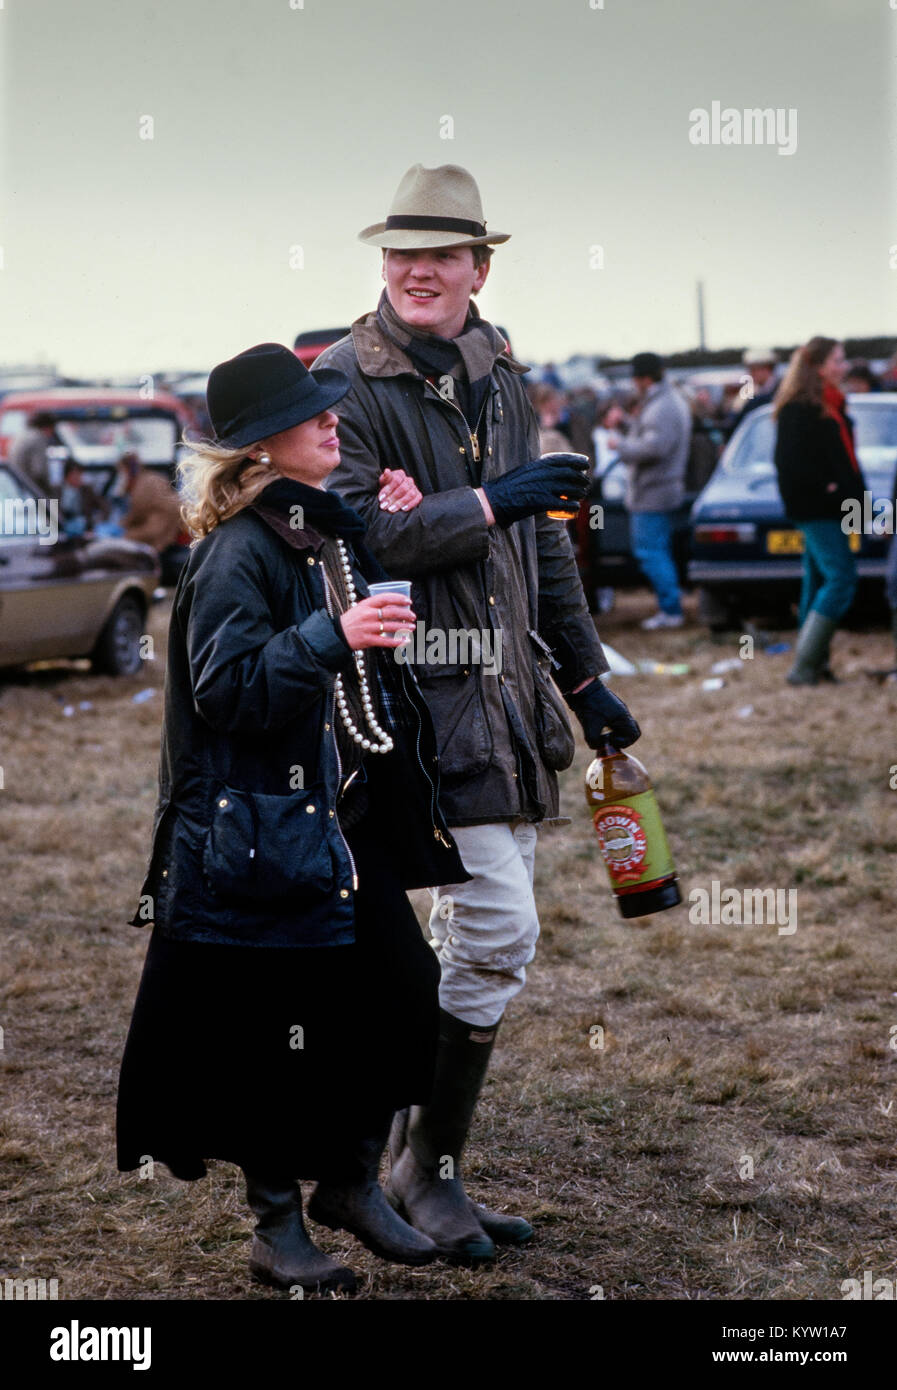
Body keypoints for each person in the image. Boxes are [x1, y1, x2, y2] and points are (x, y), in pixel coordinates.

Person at [314, 163, 640, 1260]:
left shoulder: (503, 371)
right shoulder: (343, 381)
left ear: (477, 268)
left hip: (501, 701)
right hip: (392, 707)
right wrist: (486, 501)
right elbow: (349, 535)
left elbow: (542, 539)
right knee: (482, 935)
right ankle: (393, 1171)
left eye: (439, 253)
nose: (415, 268)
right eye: (399, 252)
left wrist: (588, 681)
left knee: (474, 940)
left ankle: (421, 1169)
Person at [116, 342, 472, 1294]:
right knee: (273, 1041)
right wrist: (330, 634)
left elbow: (364, 589)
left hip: (326, 829)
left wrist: (392, 517)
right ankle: (277, 1232)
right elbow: (226, 689)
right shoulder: (239, 549)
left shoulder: (311, 529)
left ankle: (351, 1185)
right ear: (263, 447)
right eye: (313, 414)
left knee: (401, 997)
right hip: (259, 838)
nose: (334, 420)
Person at [772, 336, 866, 685]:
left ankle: (814, 666)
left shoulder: (833, 404)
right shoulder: (799, 408)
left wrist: (858, 501)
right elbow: (790, 465)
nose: (844, 367)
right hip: (816, 509)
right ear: (818, 366)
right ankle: (804, 667)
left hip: (835, 506)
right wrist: (827, 487)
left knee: (817, 580)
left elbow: (847, 462)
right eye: (838, 361)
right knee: (841, 578)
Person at [607, 351, 692, 629]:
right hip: (659, 489)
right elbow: (653, 435)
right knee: (658, 551)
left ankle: (671, 611)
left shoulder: (663, 405)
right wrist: (625, 425)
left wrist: (619, 445)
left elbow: (655, 448)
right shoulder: (665, 401)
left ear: (644, 378)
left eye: (635, 377)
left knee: (651, 552)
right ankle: (671, 608)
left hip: (652, 491)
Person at [115, 452, 184, 553]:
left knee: (125, 541)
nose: (121, 476)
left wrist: (121, 527)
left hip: (161, 529)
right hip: (165, 527)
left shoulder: (144, 485)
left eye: (122, 471)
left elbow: (137, 514)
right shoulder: (148, 479)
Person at [9, 411, 58, 497]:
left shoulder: (22, 435)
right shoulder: (38, 438)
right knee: (54, 504)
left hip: (17, 487)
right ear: (48, 428)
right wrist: (50, 492)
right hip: (30, 489)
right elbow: (39, 471)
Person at [58, 459, 112, 536]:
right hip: (62, 530)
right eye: (75, 475)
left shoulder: (87, 490)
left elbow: (104, 506)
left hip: (84, 530)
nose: (78, 478)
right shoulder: (57, 491)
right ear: (67, 476)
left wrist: (98, 522)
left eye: (80, 475)